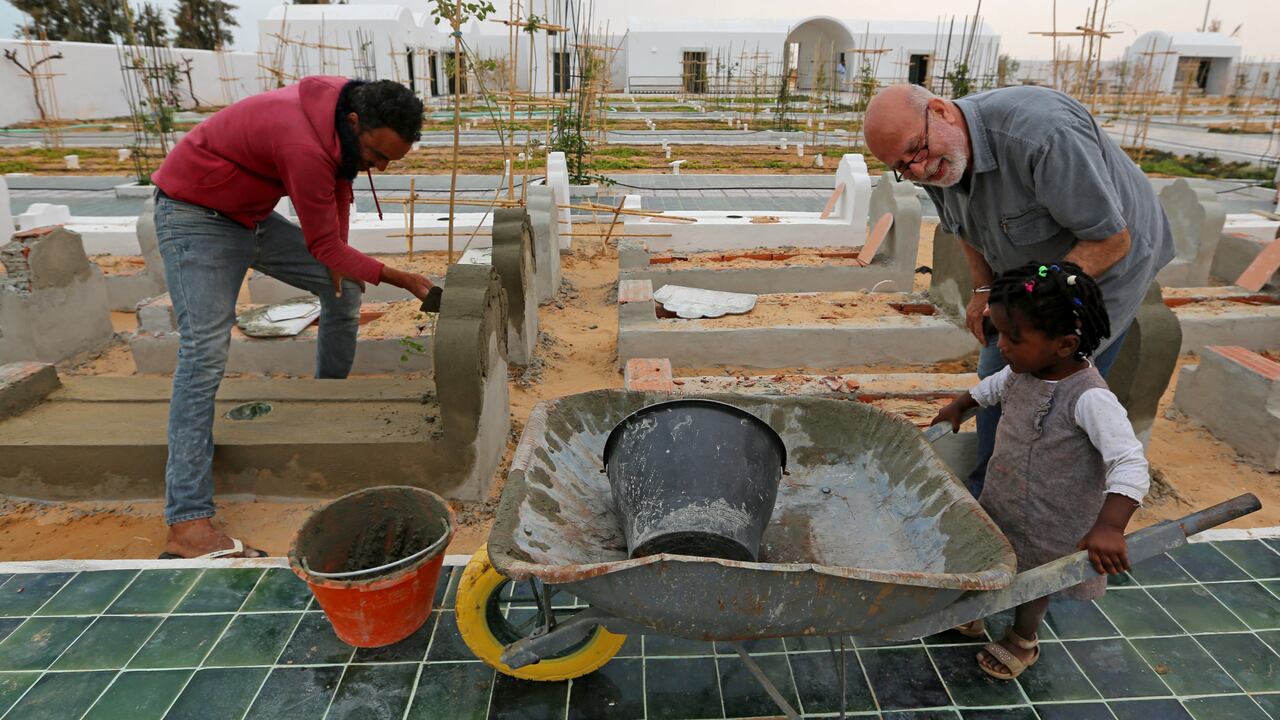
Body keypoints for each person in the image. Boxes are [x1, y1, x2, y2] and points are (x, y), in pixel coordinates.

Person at [150, 77, 435, 559]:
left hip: (248, 214)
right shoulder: (302, 142)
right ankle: (188, 525)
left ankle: (323, 401)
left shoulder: (341, 111)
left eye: (391, 159)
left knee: (344, 289)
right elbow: (322, 243)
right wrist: (400, 278)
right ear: (354, 125)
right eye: (377, 154)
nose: (382, 166)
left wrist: (340, 259)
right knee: (203, 353)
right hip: (196, 215)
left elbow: (339, 192)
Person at [863, 84, 1173, 498]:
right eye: (902, 166)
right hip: (1033, 267)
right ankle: (990, 492)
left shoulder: (1044, 136)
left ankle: (1045, 498)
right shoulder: (933, 160)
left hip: (1110, 258)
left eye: (915, 151)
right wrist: (984, 290)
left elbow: (1111, 241)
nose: (917, 169)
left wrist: (1031, 301)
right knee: (1002, 360)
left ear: (940, 111)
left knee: (1052, 381)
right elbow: (963, 227)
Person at [930, 262, 1149, 681]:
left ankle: (1023, 638)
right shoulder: (1022, 371)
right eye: (999, 334)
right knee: (988, 554)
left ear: (1065, 344)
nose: (1002, 347)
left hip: (1052, 518)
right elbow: (991, 388)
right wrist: (960, 405)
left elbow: (1129, 462)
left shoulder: (1090, 399)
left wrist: (1110, 526)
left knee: (1034, 581)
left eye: (1014, 338)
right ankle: (974, 610)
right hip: (1005, 496)